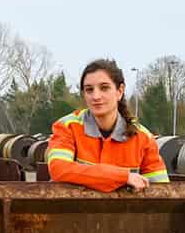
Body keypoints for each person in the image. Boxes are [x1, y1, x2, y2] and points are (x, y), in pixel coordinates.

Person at [46, 58, 169, 191]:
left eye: (104, 88)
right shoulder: (67, 127)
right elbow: (59, 169)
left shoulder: (143, 138)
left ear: (120, 91)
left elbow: (161, 191)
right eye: (89, 90)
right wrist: (123, 177)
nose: (96, 96)